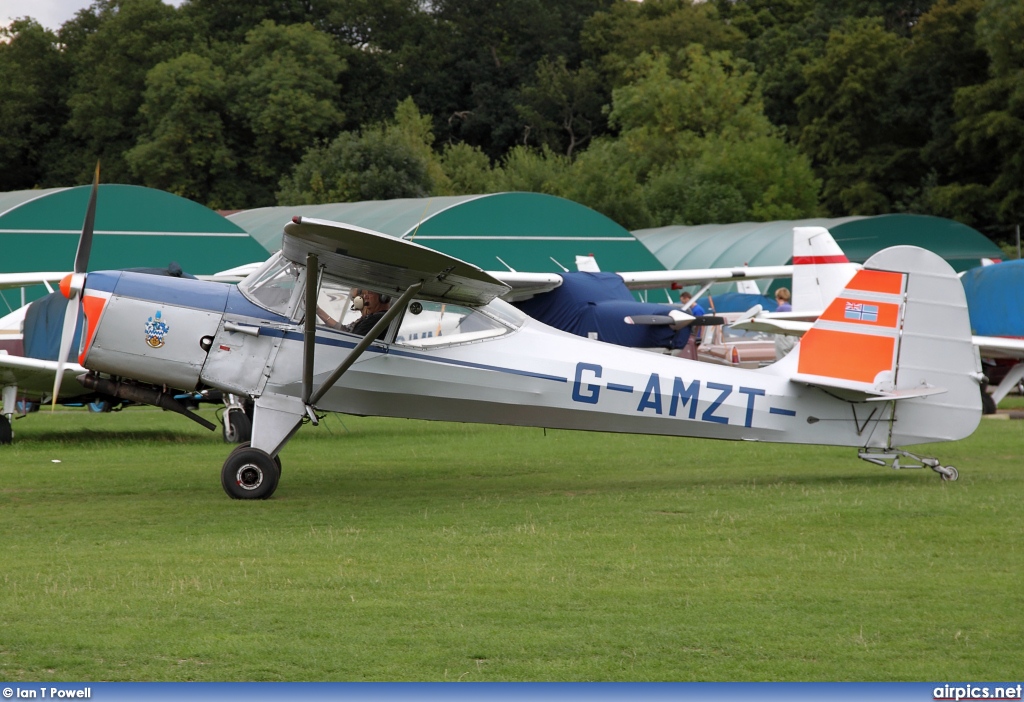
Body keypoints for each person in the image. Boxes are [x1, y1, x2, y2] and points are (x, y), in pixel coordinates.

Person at [674, 291, 705, 360]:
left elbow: (700, 325)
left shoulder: (697, 310)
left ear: (686, 299)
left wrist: (698, 336)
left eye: (683, 301)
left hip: (697, 336)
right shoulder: (691, 309)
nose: (683, 303)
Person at [773, 287, 796, 360]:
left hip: (782, 336)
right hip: (792, 336)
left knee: (782, 358)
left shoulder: (780, 309)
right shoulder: (791, 308)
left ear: (778, 297)